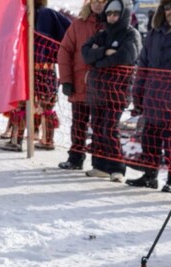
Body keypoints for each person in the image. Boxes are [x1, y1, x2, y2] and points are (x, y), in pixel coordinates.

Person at [126, 0, 171, 190]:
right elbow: (143, 66)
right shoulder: (154, 33)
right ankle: (150, 175)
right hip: (152, 95)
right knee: (150, 138)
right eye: (167, 7)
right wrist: (138, 94)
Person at [0, 0, 70, 151]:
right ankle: (47, 140)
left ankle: (16, 140)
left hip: (27, 67)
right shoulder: (49, 13)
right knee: (46, 105)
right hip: (46, 69)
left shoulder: (33, 14)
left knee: (21, 103)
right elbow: (68, 32)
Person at [82, 0, 140, 180]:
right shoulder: (102, 33)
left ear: (123, 14)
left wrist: (98, 60)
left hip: (117, 91)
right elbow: (85, 53)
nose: (112, 17)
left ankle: (117, 168)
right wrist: (105, 52)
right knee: (97, 127)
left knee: (110, 128)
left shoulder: (131, 34)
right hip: (98, 90)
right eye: (109, 13)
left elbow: (126, 56)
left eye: (116, 13)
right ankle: (100, 166)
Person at [57, 0, 106, 169]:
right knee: (78, 123)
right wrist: (66, 80)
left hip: (103, 86)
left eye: (103, 1)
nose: (98, 5)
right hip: (80, 82)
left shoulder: (113, 25)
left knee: (100, 125)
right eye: (95, 1)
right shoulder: (78, 24)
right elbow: (65, 51)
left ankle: (99, 162)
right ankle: (75, 157)